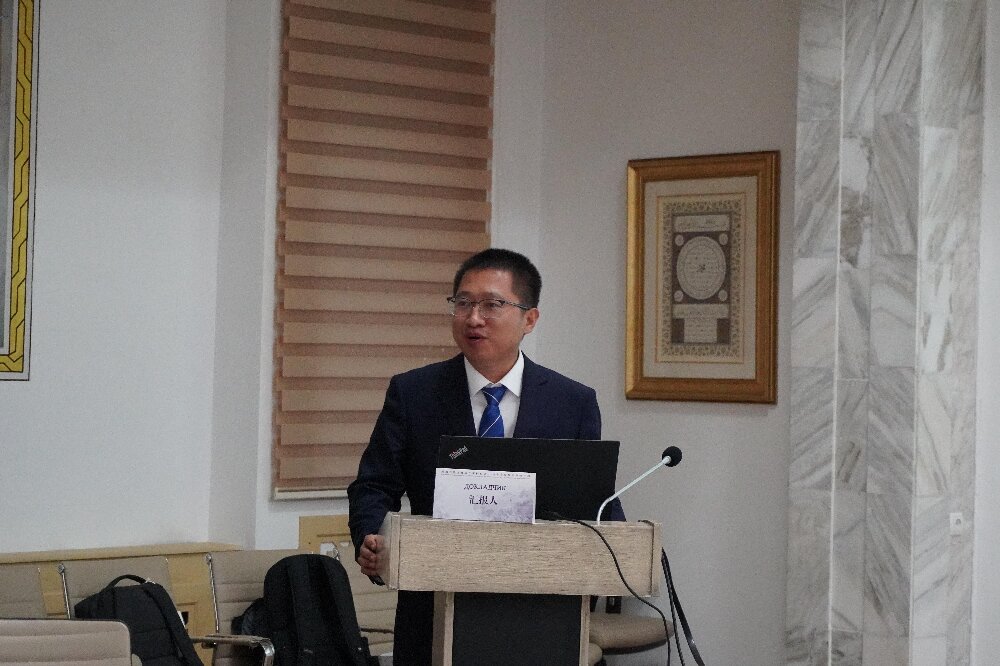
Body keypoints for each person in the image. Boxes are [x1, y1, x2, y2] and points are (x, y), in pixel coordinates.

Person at [347, 248, 618, 664]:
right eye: (463, 303)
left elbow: (595, 503)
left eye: (492, 304)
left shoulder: (572, 403)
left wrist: (616, 549)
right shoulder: (414, 393)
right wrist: (371, 537)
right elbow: (374, 485)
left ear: (530, 319)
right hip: (434, 609)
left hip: (541, 615)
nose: (473, 318)